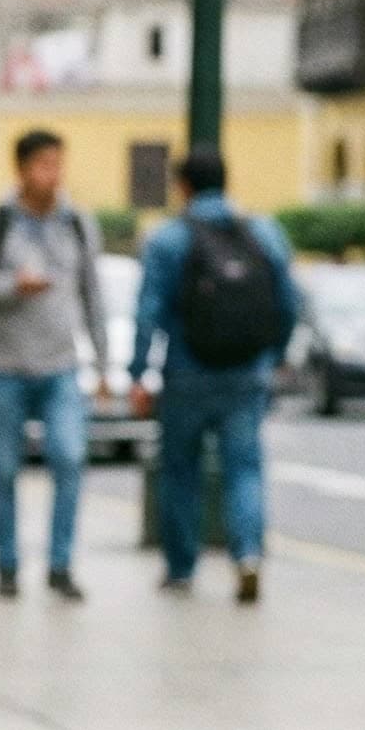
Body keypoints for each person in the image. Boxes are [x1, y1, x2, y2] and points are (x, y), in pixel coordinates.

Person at [130, 146, 301, 604]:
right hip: (246, 373)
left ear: (182, 186)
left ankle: (182, 568)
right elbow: (289, 301)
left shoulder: (168, 238)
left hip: (187, 373)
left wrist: (140, 372)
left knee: (180, 470)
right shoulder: (263, 232)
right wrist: (276, 354)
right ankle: (246, 555)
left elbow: (149, 313)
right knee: (244, 468)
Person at [0, 128, 106, 601]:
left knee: (70, 457)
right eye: (44, 165)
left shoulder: (77, 223)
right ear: (21, 169)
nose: (53, 175)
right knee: (2, 468)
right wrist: (12, 285)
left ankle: (60, 565)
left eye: (58, 164)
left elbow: (93, 296)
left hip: (61, 365)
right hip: (3, 366)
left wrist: (103, 362)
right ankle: (7, 565)